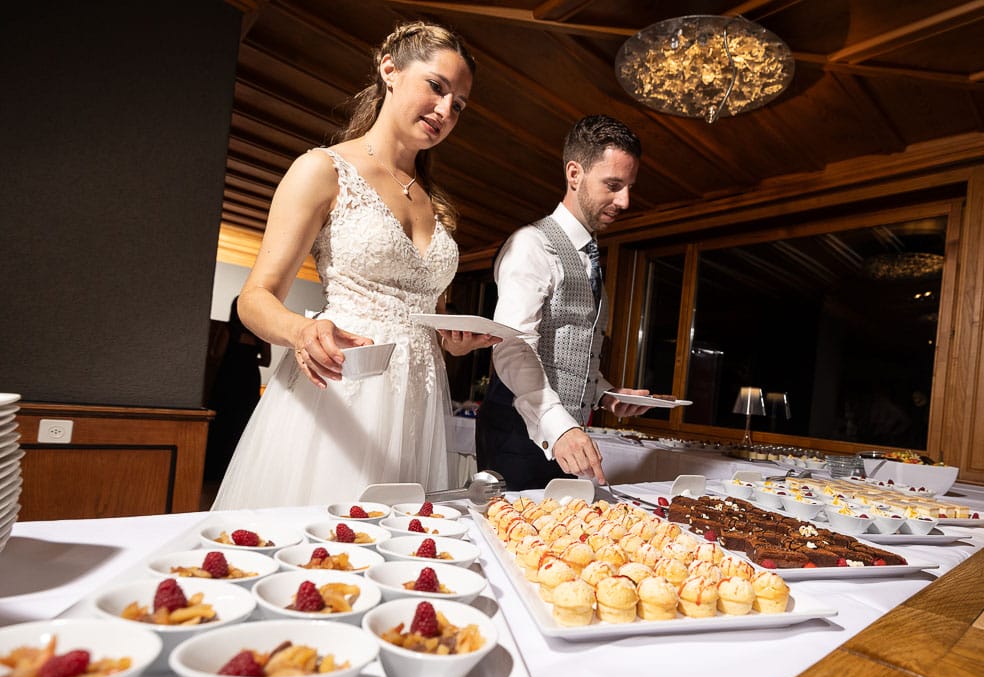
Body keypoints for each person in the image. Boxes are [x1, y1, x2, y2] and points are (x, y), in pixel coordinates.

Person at [212, 20, 497, 510]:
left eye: (460, 105)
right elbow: (254, 298)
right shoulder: (322, 170)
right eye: (436, 86)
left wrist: (450, 341)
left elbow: (426, 312)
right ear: (390, 69)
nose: (446, 110)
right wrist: (300, 333)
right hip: (342, 389)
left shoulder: (438, 206)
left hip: (420, 401)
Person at [475, 115, 655, 490]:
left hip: (563, 436)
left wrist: (606, 395)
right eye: (613, 185)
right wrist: (560, 428)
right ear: (574, 174)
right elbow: (512, 346)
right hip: (519, 437)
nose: (625, 200)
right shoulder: (531, 244)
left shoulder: (588, 257)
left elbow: (568, 351)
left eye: (629, 187)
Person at [204, 296, 271, 483]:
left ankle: (214, 472)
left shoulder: (229, 330)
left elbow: (216, 355)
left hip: (229, 378)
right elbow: (266, 361)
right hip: (248, 379)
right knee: (243, 423)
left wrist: (236, 359)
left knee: (223, 422)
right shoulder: (261, 334)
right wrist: (248, 361)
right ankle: (236, 473)